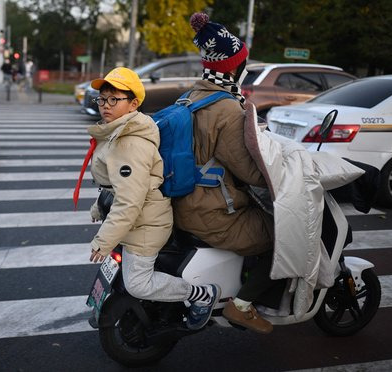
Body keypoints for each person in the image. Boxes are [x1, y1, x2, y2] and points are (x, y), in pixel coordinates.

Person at [84, 67, 221, 330]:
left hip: (146, 225)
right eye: (102, 99)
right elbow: (116, 184)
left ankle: (202, 294)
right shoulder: (117, 132)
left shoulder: (130, 144)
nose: (105, 105)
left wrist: (103, 242)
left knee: (138, 283)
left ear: (133, 103)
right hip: (133, 220)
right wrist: (99, 206)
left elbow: (130, 201)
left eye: (114, 99)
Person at [171, 12, 280, 334]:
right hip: (211, 211)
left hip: (183, 202)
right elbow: (249, 172)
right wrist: (280, 176)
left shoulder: (190, 97)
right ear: (234, 66)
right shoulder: (228, 109)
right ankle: (242, 305)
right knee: (284, 240)